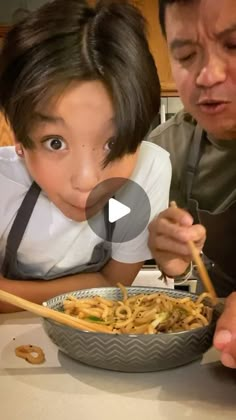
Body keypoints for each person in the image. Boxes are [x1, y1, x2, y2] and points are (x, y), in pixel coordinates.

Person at [0, 0, 171, 312]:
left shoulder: (150, 168)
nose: (87, 180)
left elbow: (117, 283)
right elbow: (107, 283)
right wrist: (94, 287)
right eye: (55, 143)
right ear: (19, 139)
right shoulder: (3, 183)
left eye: (113, 143)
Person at [148, 0, 236, 368]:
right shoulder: (167, 147)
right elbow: (113, 212)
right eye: (186, 55)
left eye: (234, 46)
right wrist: (163, 247)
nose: (208, 75)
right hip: (207, 353)